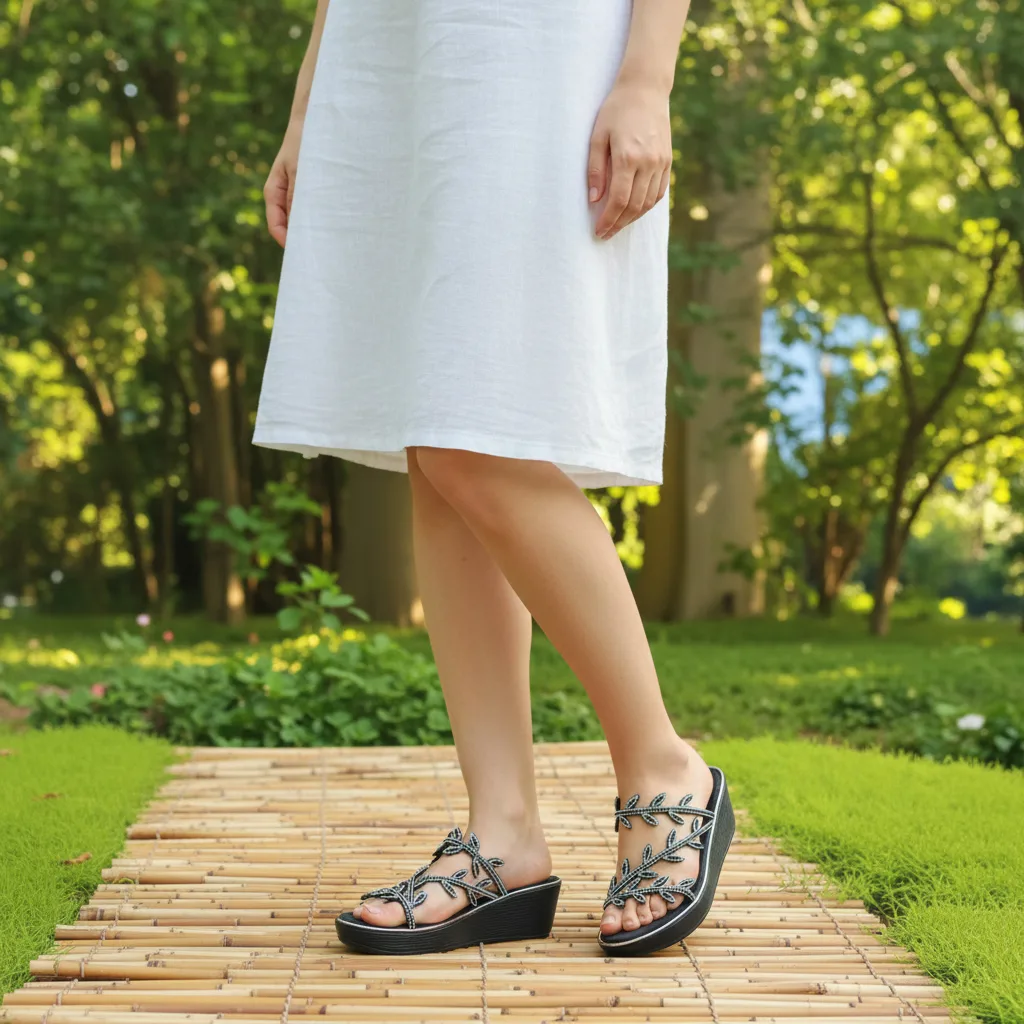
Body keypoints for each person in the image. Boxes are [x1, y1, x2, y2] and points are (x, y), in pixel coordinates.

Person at [254, 0, 733, 957]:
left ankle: (663, 765)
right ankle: (503, 829)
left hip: (537, 50)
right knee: (434, 435)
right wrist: (311, 103)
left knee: (477, 428)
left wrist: (648, 76)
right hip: (391, 55)